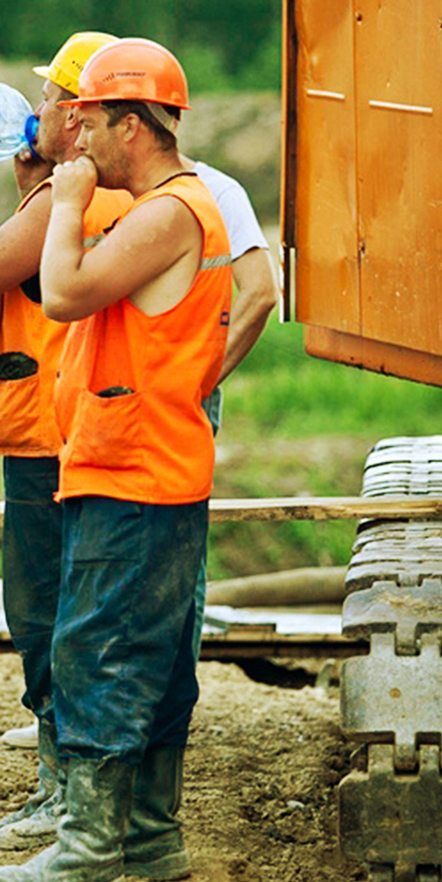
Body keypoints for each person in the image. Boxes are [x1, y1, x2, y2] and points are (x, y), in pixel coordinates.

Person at [0, 38, 234, 882]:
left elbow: (61, 294)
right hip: (148, 463)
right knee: (155, 654)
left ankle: (89, 849)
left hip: (131, 470)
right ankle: (151, 836)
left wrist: (65, 204)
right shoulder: (176, 205)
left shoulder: (167, 213)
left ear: (134, 125)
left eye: (88, 121)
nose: (75, 136)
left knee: (96, 650)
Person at [0, 31, 132, 852]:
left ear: (79, 117)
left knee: (43, 610)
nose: (30, 106)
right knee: (87, 605)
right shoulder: (99, 195)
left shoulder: (61, 203)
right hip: (95, 427)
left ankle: (63, 789)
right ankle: (89, 783)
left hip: (53, 436)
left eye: (48, 97)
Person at [186, 156, 280, 654]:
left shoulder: (214, 190)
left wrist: (192, 383)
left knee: (169, 553)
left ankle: (154, 714)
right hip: (92, 397)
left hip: (171, 403)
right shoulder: (76, 188)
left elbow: (261, 291)